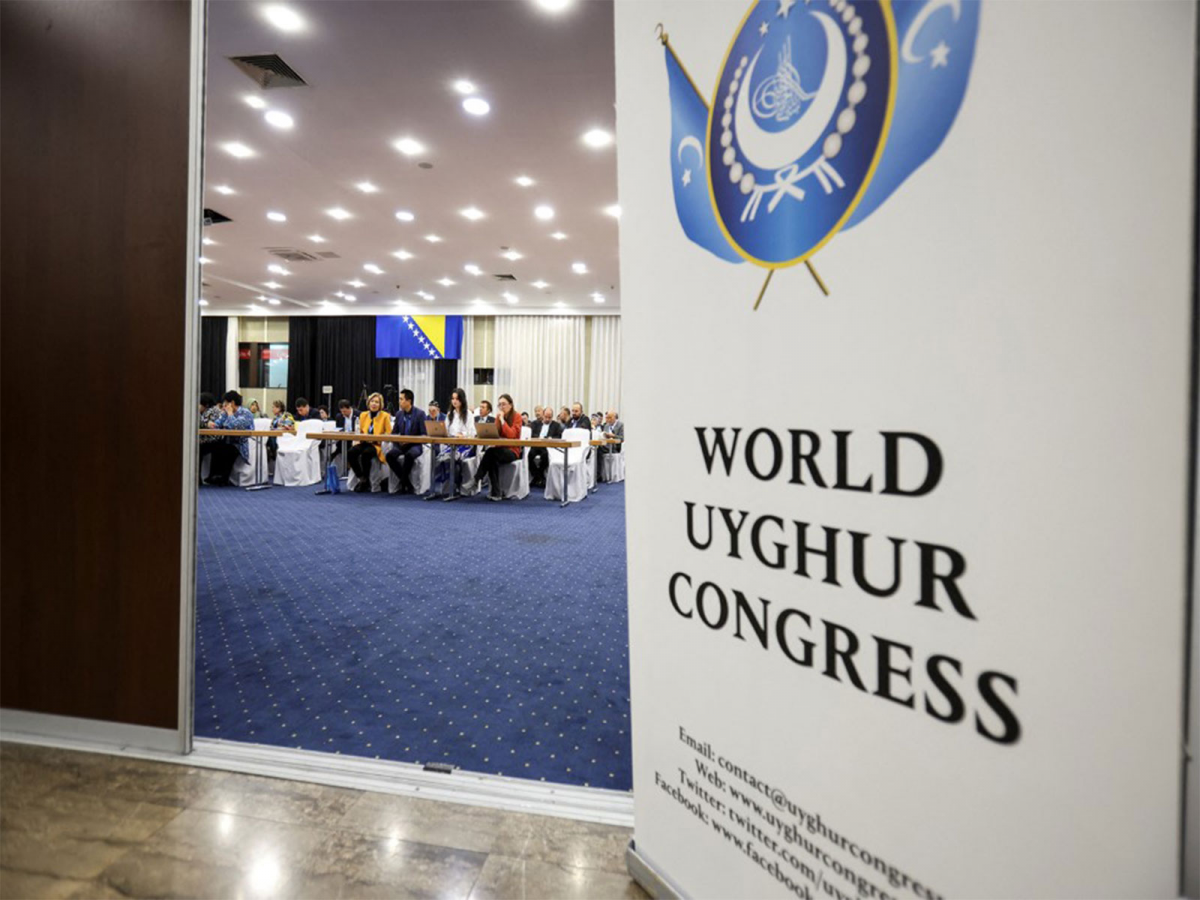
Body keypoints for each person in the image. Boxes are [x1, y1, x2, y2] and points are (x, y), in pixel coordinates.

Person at [472, 393, 521, 502]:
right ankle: (496, 493)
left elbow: (512, 435)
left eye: (504, 404)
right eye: (499, 405)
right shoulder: (498, 417)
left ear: (510, 405)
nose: (501, 407)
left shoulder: (517, 417)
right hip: (499, 450)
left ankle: (477, 478)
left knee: (490, 453)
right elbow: (496, 433)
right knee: (492, 458)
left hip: (512, 451)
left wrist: (502, 420)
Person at [205, 390, 254, 486]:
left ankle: (224, 478)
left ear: (232, 403)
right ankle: (213, 476)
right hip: (227, 440)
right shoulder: (226, 413)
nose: (224, 405)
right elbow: (218, 423)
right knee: (215, 445)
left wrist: (230, 413)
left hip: (240, 444)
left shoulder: (246, 413)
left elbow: (236, 426)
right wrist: (212, 424)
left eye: (225, 402)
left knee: (228, 449)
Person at [385, 388, 427, 494]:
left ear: (409, 401)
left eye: (401, 399)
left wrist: (410, 441)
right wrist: (398, 440)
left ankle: (403, 483)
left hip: (415, 445)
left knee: (409, 455)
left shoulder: (420, 414)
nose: (399, 401)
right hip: (401, 444)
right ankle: (406, 483)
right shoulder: (399, 414)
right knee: (389, 456)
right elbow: (394, 432)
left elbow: (424, 434)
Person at [347, 392, 392, 493]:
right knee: (351, 452)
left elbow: (389, 433)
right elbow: (359, 431)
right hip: (364, 442)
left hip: (377, 444)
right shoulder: (363, 415)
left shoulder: (385, 416)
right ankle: (361, 477)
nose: (374, 404)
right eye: (372, 401)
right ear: (368, 403)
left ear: (380, 405)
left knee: (366, 454)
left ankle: (365, 481)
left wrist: (378, 439)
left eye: (377, 402)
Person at [437, 387, 476, 502]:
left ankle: (457, 485)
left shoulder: (468, 414)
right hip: (452, 444)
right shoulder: (450, 414)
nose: (454, 401)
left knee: (454, 458)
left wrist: (462, 435)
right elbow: (446, 430)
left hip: (465, 445)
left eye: (457, 399)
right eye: (453, 399)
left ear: (462, 400)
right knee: (443, 458)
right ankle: (449, 487)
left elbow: (473, 432)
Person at [528, 406, 563, 488]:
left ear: (552, 417)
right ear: (543, 415)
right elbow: (531, 435)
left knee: (545, 456)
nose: (547, 419)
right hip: (536, 445)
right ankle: (538, 476)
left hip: (548, 447)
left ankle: (538, 476)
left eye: (549, 417)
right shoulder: (535, 424)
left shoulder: (556, 425)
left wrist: (550, 438)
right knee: (528, 455)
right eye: (546, 417)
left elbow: (558, 436)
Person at [198, 393, 222, 480]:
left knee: (197, 449)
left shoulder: (212, 411)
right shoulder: (213, 410)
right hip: (210, 439)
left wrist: (198, 413)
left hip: (212, 440)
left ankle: (197, 477)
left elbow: (204, 424)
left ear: (206, 404)